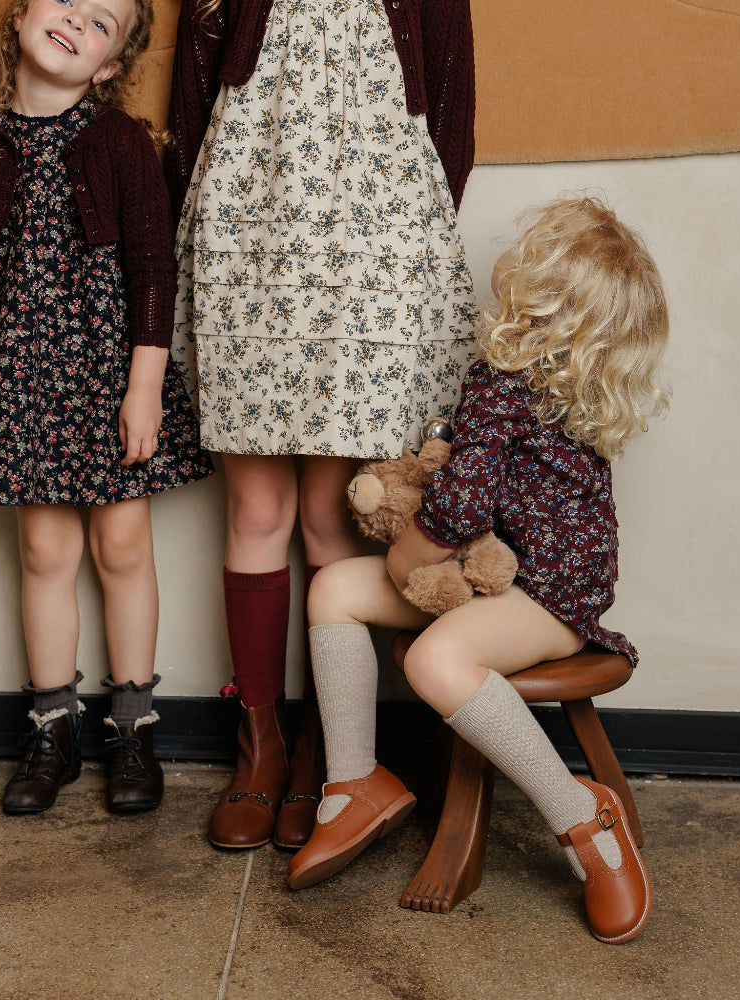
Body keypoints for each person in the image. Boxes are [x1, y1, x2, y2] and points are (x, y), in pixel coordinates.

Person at [167, 0, 477, 850]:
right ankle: (260, 741)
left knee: (329, 513)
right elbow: (190, 125)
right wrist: (199, 263)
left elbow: (450, 137)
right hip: (252, 266)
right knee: (256, 509)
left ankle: (329, 748)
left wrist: (394, 259)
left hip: (369, 280)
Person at [288, 196, 669, 945]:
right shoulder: (564, 377)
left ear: (537, 291)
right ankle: (354, 782)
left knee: (435, 658)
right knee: (333, 590)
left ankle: (581, 817)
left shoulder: (505, 375)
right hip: (501, 571)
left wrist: (406, 554)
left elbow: (462, 503)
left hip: (547, 594)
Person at [0, 0, 213, 816]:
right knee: (45, 552)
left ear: (110, 65)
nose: (74, 22)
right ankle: (51, 731)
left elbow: (153, 273)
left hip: (106, 374)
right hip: (15, 379)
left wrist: (143, 389)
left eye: (100, 22)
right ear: (22, 12)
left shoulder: (121, 143)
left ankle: (133, 728)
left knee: (122, 548)